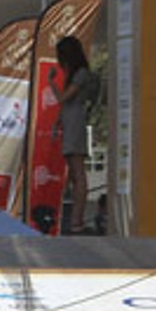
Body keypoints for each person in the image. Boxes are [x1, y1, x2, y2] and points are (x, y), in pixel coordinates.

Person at [53, 35, 101, 234]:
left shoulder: (81, 74)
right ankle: (73, 218)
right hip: (70, 122)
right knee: (73, 174)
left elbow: (64, 98)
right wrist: (58, 122)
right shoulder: (76, 74)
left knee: (78, 173)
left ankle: (76, 221)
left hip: (75, 123)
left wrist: (52, 83)